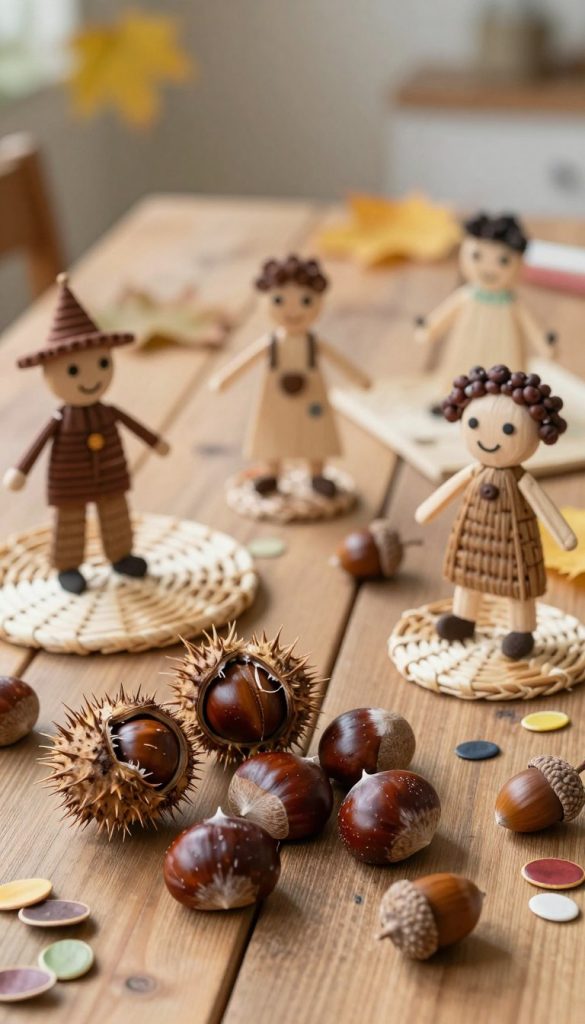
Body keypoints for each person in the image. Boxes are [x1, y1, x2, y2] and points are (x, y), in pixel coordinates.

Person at [3, 273, 170, 595]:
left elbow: (133, 425)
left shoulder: (108, 412)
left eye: (102, 363)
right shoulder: (60, 419)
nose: (90, 377)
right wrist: (21, 470)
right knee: (70, 522)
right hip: (70, 479)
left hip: (110, 473)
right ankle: (68, 565)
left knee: (116, 515)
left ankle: (121, 556)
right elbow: (39, 441)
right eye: (73, 370)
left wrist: (156, 443)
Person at [415, 364, 577, 660]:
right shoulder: (476, 471)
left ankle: (521, 629)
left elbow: (541, 503)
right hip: (474, 537)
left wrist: (564, 536)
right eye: (474, 423)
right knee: (468, 576)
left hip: (514, 543)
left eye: (508, 429)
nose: (488, 438)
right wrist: (427, 510)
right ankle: (463, 617)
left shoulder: (518, 478)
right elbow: (446, 492)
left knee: (519, 585)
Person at [210, 254, 370, 498]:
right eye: (279, 300)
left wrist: (359, 378)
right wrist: (223, 379)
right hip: (276, 399)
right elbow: (244, 361)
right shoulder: (273, 343)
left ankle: (317, 474)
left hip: (311, 397)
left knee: (316, 435)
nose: (292, 310)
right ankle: (272, 473)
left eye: (305, 301)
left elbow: (339, 359)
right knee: (272, 435)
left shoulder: (312, 343)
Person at [415, 213, 556, 400]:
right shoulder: (466, 297)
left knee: (507, 382)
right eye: (477, 256)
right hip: (466, 348)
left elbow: (531, 325)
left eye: (503, 261)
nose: (489, 268)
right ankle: (452, 398)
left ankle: (507, 404)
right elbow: (444, 315)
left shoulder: (512, 304)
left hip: (505, 352)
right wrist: (429, 328)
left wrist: (545, 343)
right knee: (458, 375)